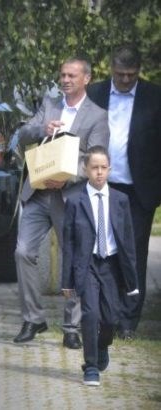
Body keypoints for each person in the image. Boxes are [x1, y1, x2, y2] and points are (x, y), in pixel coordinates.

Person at [12, 57, 110, 349]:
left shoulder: (97, 116)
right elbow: (22, 135)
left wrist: (66, 177)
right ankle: (33, 318)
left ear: (86, 79)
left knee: (75, 259)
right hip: (38, 192)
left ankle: (72, 327)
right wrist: (42, 129)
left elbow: (97, 159)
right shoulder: (49, 105)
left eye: (72, 76)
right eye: (63, 75)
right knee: (23, 252)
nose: (65, 80)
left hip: (70, 196)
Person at [86, 44, 161, 340]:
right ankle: (105, 313)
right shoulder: (95, 93)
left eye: (131, 74)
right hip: (102, 184)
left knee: (133, 254)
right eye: (120, 74)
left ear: (139, 71)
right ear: (111, 69)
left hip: (139, 189)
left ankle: (128, 320)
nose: (126, 80)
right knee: (101, 250)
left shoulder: (154, 97)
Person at [61, 145, 139, 386]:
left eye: (103, 167)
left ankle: (102, 345)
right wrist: (66, 281)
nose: (99, 172)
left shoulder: (120, 200)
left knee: (111, 318)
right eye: (94, 167)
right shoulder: (75, 201)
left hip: (111, 265)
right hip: (87, 264)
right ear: (85, 169)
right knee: (90, 314)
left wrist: (132, 280)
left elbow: (128, 242)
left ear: (110, 169)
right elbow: (69, 243)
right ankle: (91, 366)